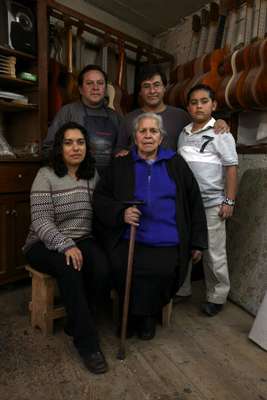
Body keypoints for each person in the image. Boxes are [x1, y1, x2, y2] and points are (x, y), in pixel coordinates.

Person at [93, 112, 208, 340]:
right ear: (134, 137)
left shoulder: (175, 163)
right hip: (128, 235)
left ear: (161, 137)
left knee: (163, 269)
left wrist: (197, 241)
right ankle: (130, 316)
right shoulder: (121, 164)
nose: (147, 136)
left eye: (153, 131)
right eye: (142, 131)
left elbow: (194, 201)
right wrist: (121, 212)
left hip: (167, 237)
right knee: (120, 266)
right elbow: (101, 198)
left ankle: (146, 316)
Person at [23, 121, 109, 374]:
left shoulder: (92, 175)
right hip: (43, 243)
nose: (75, 148)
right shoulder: (46, 175)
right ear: (60, 148)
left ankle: (75, 320)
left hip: (83, 238)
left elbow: (101, 211)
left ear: (87, 148)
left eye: (80, 142)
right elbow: (40, 221)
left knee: (104, 269)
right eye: (69, 142)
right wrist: (64, 245)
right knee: (70, 268)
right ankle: (88, 344)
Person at [177, 84, 238, 316]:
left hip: (213, 204)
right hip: (187, 204)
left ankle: (217, 296)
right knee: (184, 248)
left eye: (204, 101)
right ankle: (182, 289)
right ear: (188, 107)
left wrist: (229, 201)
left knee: (214, 252)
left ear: (213, 105)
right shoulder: (183, 133)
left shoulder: (221, 133)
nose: (199, 105)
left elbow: (231, 168)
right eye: (194, 102)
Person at [115, 64, 228, 156]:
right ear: (140, 91)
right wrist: (121, 153)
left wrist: (218, 122)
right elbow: (118, 150)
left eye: (157, 85)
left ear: (165, 88)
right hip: (138, 180)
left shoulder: (182, 116)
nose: (152, 91)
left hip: (172, 180)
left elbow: (202, 125)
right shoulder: (128, 118)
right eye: (146, 86)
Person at [43, 64, 123, 173]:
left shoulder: (115, 117)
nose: (95, 87)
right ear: (80, 89)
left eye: (100, 83)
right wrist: (68, 172)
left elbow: (123, 150)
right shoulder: (68, 112)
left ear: (105, 89)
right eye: (89, 83)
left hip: (108, 182)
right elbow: (48, 148)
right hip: (76, 180)